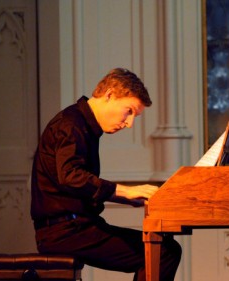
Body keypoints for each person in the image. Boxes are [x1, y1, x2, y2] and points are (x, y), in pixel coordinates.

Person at [30, 68, 182, 281]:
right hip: (65, 232)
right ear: (109, 95)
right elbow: (71, 177)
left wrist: (125, 198)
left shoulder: (80, 124)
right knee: (164, 252)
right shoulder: (70, 124)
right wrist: (124, 191)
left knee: (164, 250)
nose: (129, 124)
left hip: (74, 227)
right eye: (129, 111)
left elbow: (77, 184)